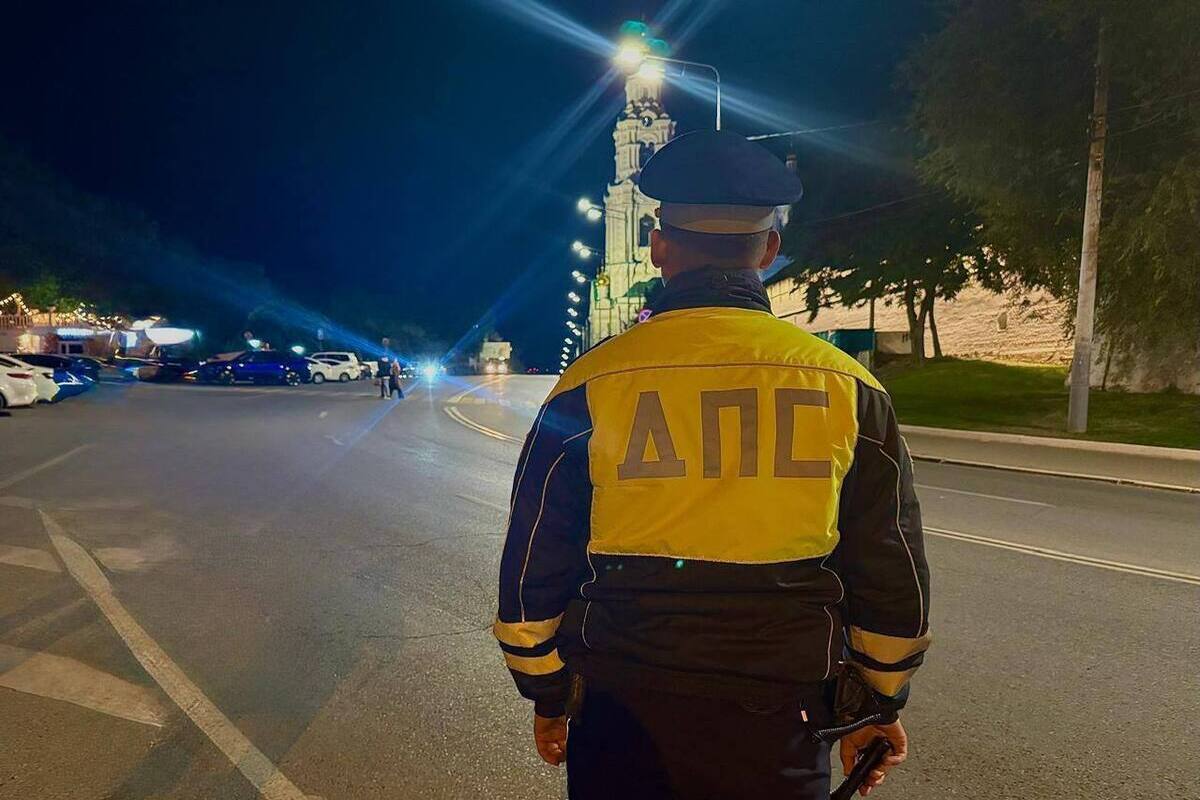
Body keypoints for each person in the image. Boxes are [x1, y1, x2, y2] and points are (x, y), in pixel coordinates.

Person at [494, 130, 931, 800]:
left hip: (622, 719)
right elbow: (890, 568)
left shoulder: (590, 385)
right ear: (769, 249)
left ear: (659, 246)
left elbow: (533, 567)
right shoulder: (847, 387)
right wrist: (877, 703)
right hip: (782, 726)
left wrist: (550, 694)